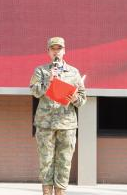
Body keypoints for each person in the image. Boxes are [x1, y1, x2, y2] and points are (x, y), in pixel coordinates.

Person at [29, 37, 86, 195]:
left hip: (66, 125)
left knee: (64, 162)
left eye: (59, 49)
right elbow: (34, 91)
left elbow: (82, 99)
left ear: (64, 51)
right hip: (45, 124)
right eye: (53, 49)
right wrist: (49, 80)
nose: (56, 52)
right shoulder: (41, 71)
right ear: (48, 51)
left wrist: (74, 98)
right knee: (46, 162)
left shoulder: (73, 72)